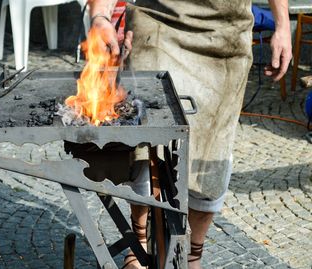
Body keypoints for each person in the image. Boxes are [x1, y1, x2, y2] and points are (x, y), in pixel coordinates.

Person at [87, 0, 292, 268]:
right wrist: (100, 15)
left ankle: (193, 253)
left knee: (214, 148)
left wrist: (283, 27)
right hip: (157, 23)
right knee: (146, 142)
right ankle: (139, 246)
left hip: (226, 35)